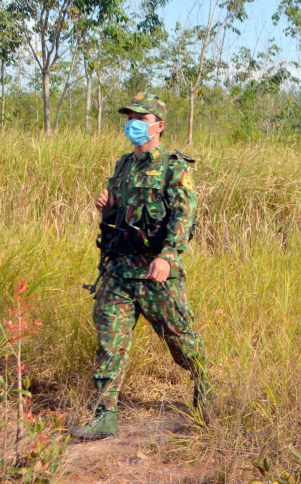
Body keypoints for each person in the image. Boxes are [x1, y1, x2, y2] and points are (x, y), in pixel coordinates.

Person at [70, 92, 211, 440]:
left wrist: (169, 256)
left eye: (141, 119)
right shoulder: (123, 165)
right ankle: (104, 415)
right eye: (129, 117)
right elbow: (117, 215)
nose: (133, 124)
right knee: (110, 341)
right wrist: (107, 204)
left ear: (159, 126)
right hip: (119, 269)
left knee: (180, 339)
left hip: (155, 272)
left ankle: (204, 386)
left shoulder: (174, 167)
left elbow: (183, 216)